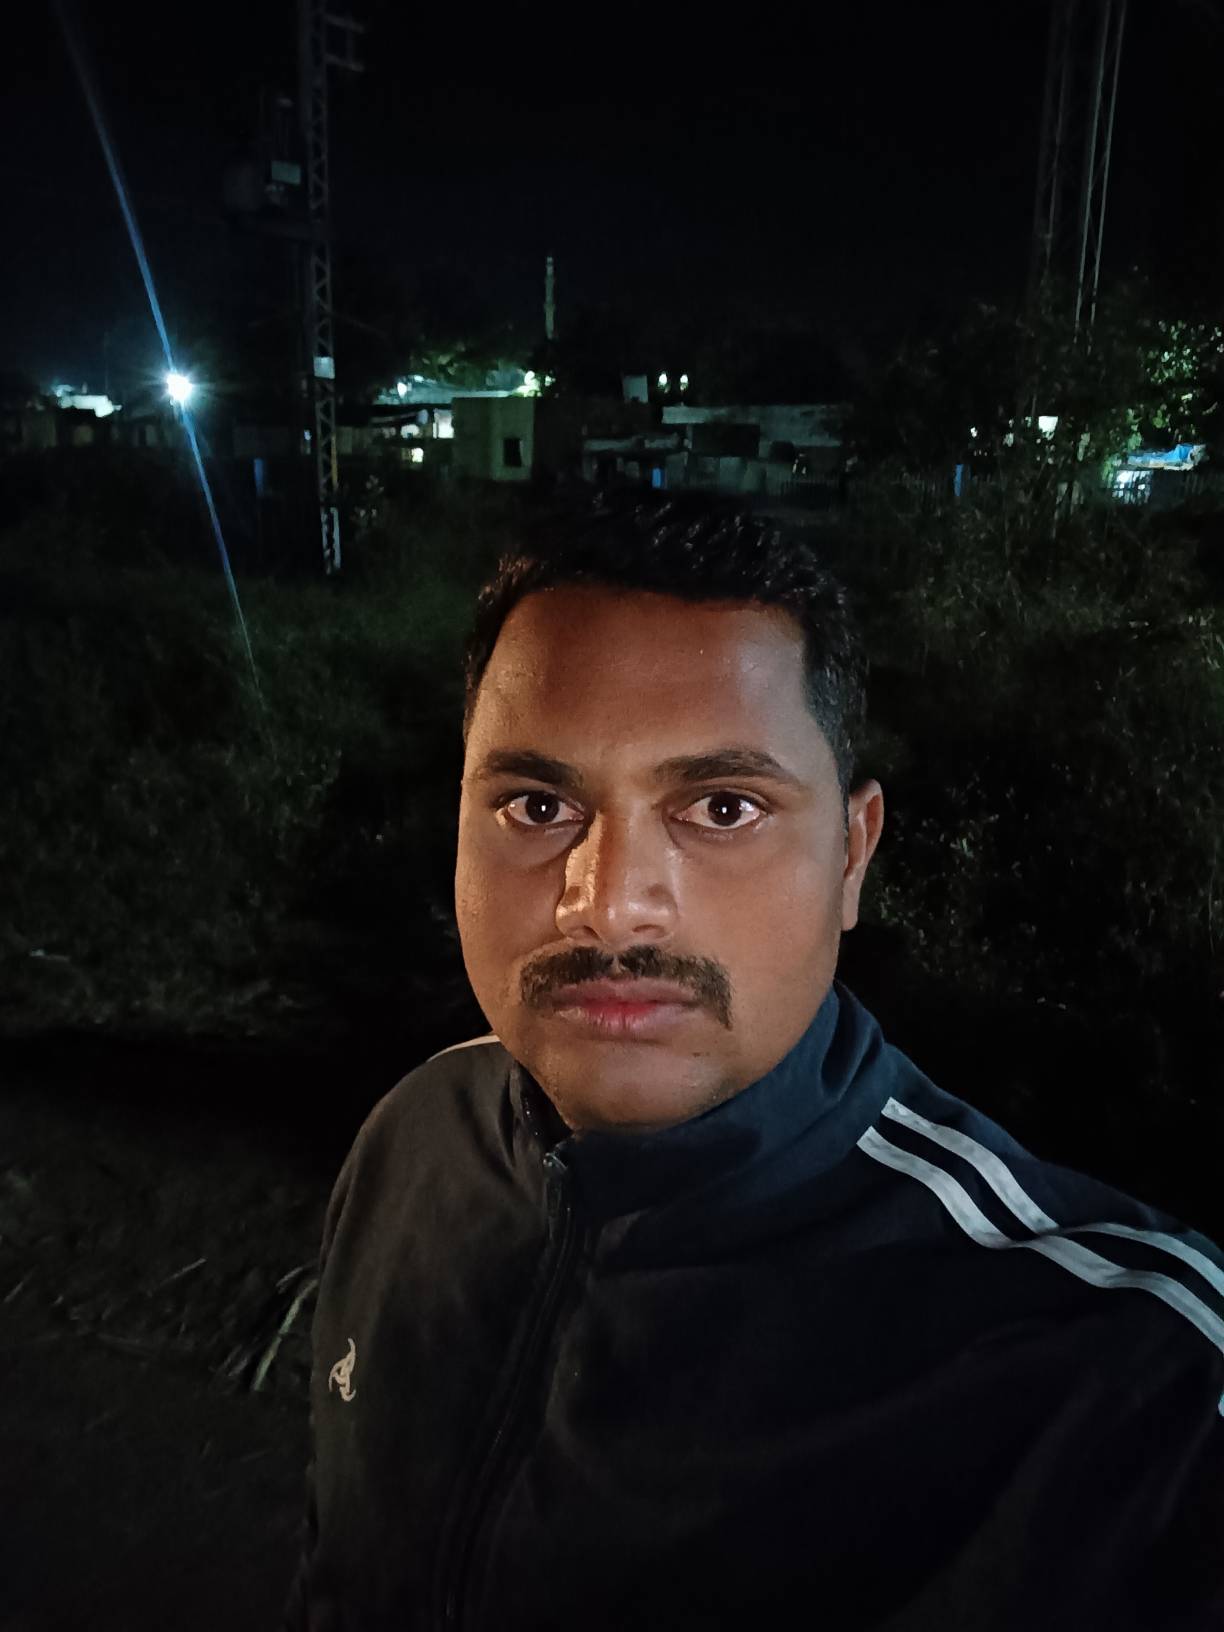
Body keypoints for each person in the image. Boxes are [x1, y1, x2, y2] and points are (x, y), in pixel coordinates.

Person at [284, 495, 1224, 1631]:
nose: (611, 902)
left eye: (723, 808)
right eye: (537, 805)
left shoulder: (1125, 1379)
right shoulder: (415, 1136)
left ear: (852, 854)